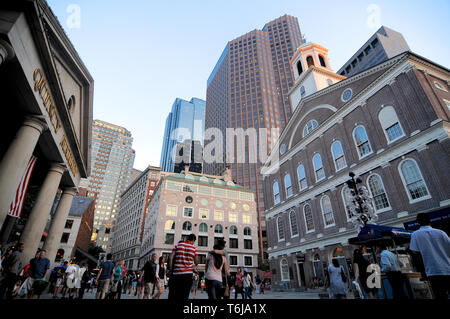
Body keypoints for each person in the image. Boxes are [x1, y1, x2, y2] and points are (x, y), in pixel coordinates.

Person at [409, 213, 450, 300]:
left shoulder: (415, 235)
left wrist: (422, 272)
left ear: (418, 222)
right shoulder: (441, 233)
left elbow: (415, 253)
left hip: (433, 271)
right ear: (430, 220)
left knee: (440, 295)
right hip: (448, 269)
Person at [168, 234, 198, 300]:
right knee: (184, 295)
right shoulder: (194, 248)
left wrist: (170, 270)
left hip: (176, 274)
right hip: (187, 276)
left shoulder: (178, 245)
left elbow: (170, 258)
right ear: (193, 240)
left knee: (174, 294)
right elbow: (196, 262)